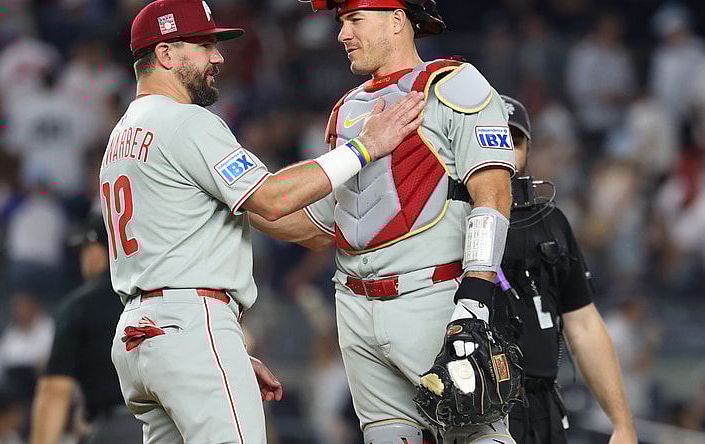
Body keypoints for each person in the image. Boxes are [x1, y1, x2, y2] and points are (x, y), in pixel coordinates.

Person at [102, 1, 426, 443]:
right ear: (166, 55)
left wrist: (222, 350)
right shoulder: (185, 121)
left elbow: (255, 221)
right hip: (188, 323)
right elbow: (272, 199)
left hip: (142, 337)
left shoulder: (122, 135)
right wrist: (364, 147)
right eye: (204, 45)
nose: (217, 57)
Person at [257, 1, 517, 442]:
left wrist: (475, 295)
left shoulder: (454, 85)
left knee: (476, 434)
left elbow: (492, 195)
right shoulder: (346, 110)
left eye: (354, 19)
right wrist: (240, 204)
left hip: (431, 296)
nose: (342, 34)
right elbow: (324, 227)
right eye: (341, 22)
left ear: (398, 20)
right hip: (354, 305)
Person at [492, 95, 637, 444]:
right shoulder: (446, 221)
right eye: (495, 136)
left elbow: (583, 324)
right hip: (479, 409)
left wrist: (622, 424)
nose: (506, 149)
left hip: (543, 409)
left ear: (528, 149)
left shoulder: (551, 222)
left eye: (515, 140)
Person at [29, 212, 143, 444]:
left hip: (115, 430)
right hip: (169, 426)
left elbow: (55, 390)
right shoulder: (157, 295)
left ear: (95, 250)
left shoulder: (79, 307)